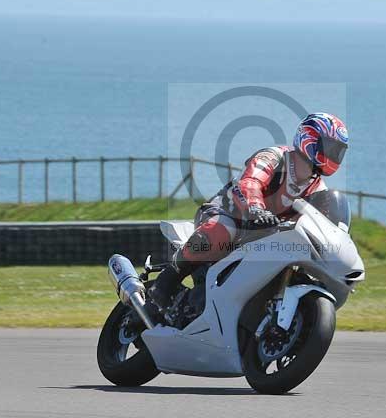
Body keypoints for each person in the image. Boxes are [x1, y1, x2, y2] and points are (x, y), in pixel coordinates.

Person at [149, 112, 349, 310]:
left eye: (338, 151)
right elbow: (250, 181)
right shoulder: (275, 156)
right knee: (221, 230)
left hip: (269, 233)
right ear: (310, 139)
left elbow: (321, 224)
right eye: (330, 147)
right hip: (229, 213)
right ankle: (166, 281)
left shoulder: (318, 189)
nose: (333, 155)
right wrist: (256, 208)